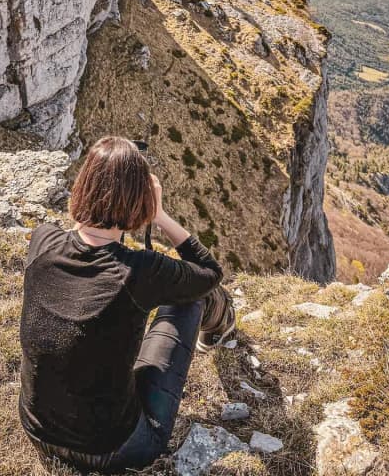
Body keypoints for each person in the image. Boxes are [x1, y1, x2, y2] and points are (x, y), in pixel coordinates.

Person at [19, 136, 237, 473]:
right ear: (140, 203)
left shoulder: (43, 240)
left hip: (38, 431)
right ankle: (218, 331)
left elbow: (82, 241)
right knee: (192, 296)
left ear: (82, 187)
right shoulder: (140, 271)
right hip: (115, 450)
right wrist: (160, 215)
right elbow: (210, 273)